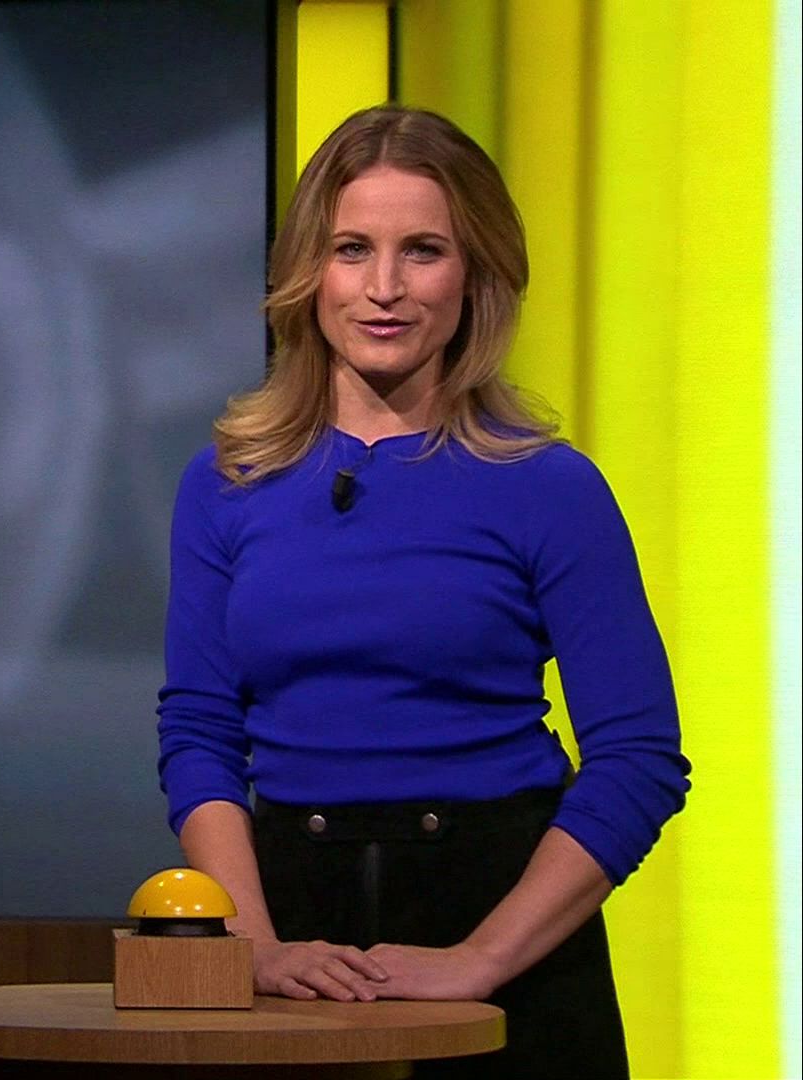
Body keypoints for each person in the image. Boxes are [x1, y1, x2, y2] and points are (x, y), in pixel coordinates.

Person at [154, 104, 690, 1079]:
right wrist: (253, 948)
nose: (385, 288)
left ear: (476, 274)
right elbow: (199, 734)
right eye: (353, 249)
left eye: (424, 251)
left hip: (507, 929)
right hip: (290, 927)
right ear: (309, 272)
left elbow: (639, 761)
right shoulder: (227, 483)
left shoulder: (550, 487)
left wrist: (480, 960)